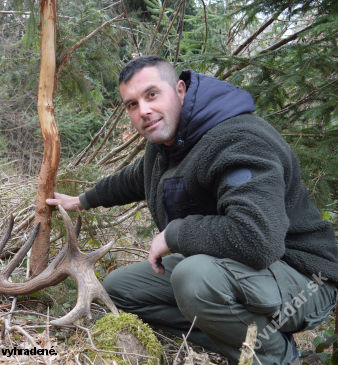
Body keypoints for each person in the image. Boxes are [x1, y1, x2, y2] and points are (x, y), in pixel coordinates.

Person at [46, 55, 338, 365]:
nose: (143, 110)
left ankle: (274, 356)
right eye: (132, 104)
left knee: (192, 277)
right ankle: (239, 339)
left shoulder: (239, 139)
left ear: (181, 90)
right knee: (120, 290)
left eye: (152, 94)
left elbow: (258, 239)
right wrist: (81, 200)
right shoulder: (167, 145)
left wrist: (175, 234)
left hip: (305, 277)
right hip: (240, 268)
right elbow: (135, 178)